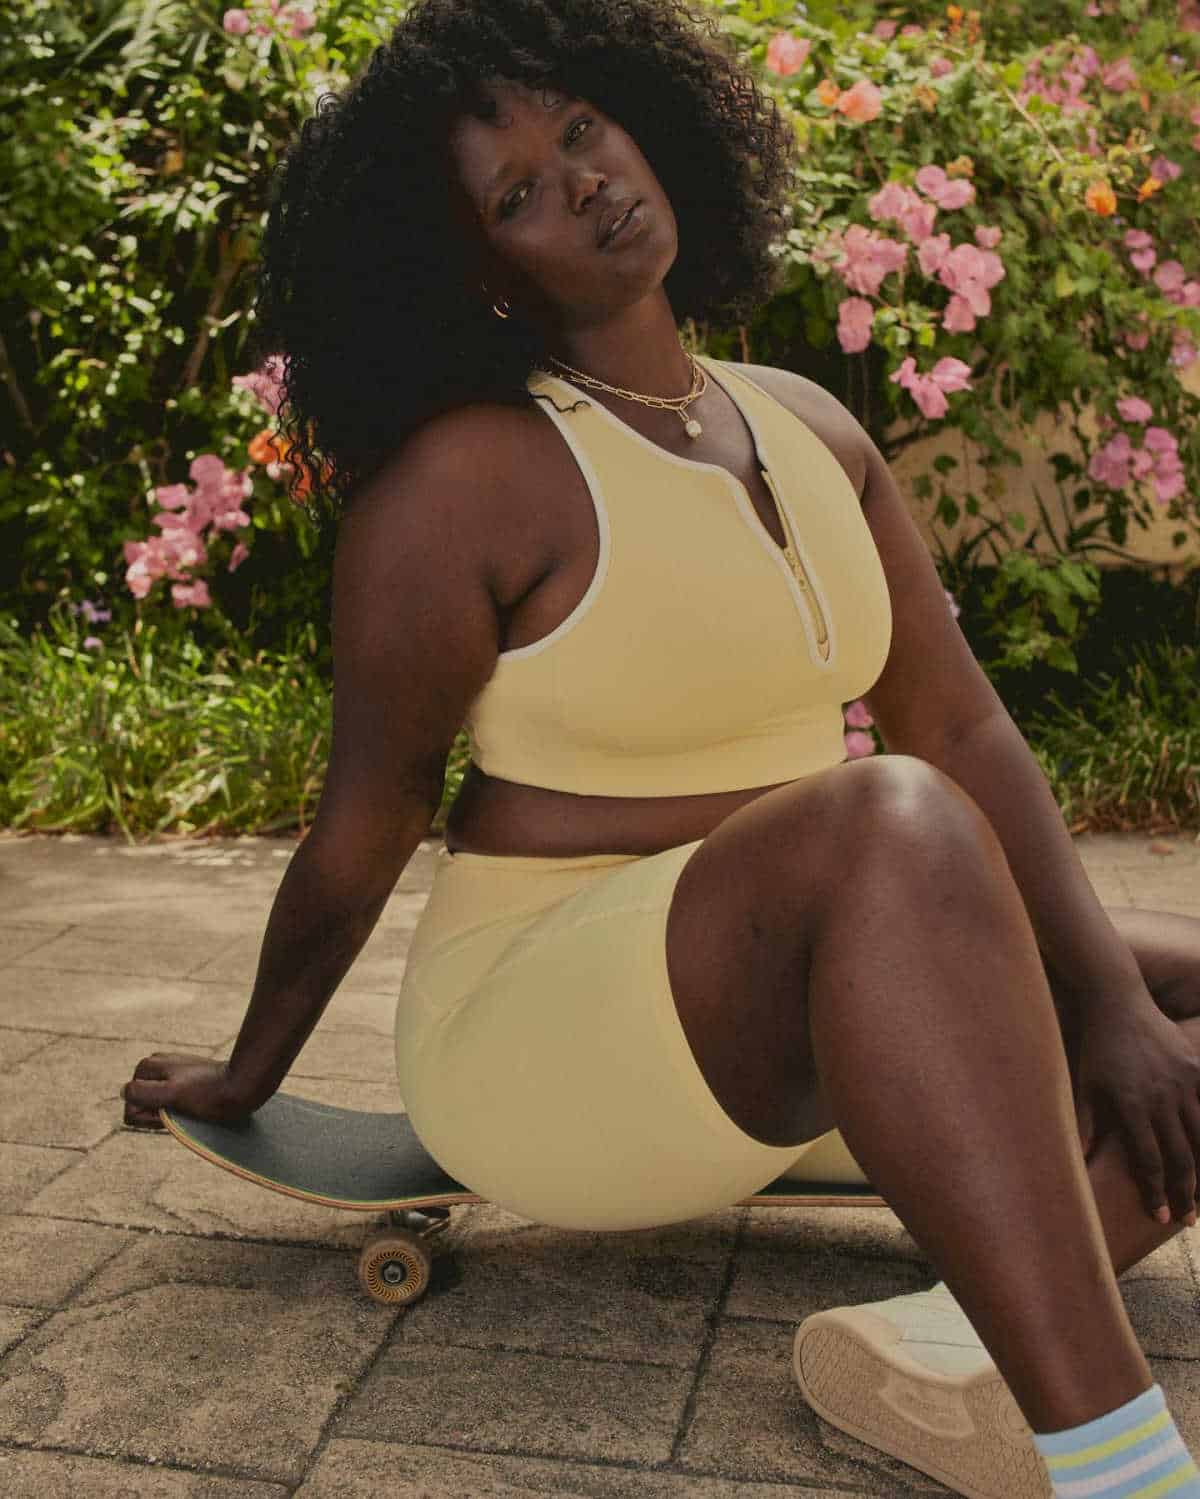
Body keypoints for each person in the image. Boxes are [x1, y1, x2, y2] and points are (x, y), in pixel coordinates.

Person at [123, 3, 1200, 1494]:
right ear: (486, 278)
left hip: (796, 1020)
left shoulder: (809, 424)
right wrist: (252, 1071)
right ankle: (1123, 1465)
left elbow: (961, 720)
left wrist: (1115, 1011)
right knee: (887, 817)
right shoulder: (467, 487)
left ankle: (951, 1350)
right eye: (517, 195)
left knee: (1163, 992)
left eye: (580, 130)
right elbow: (363, 825)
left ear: (645, 116)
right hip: (548, 1042)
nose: (581, 181)